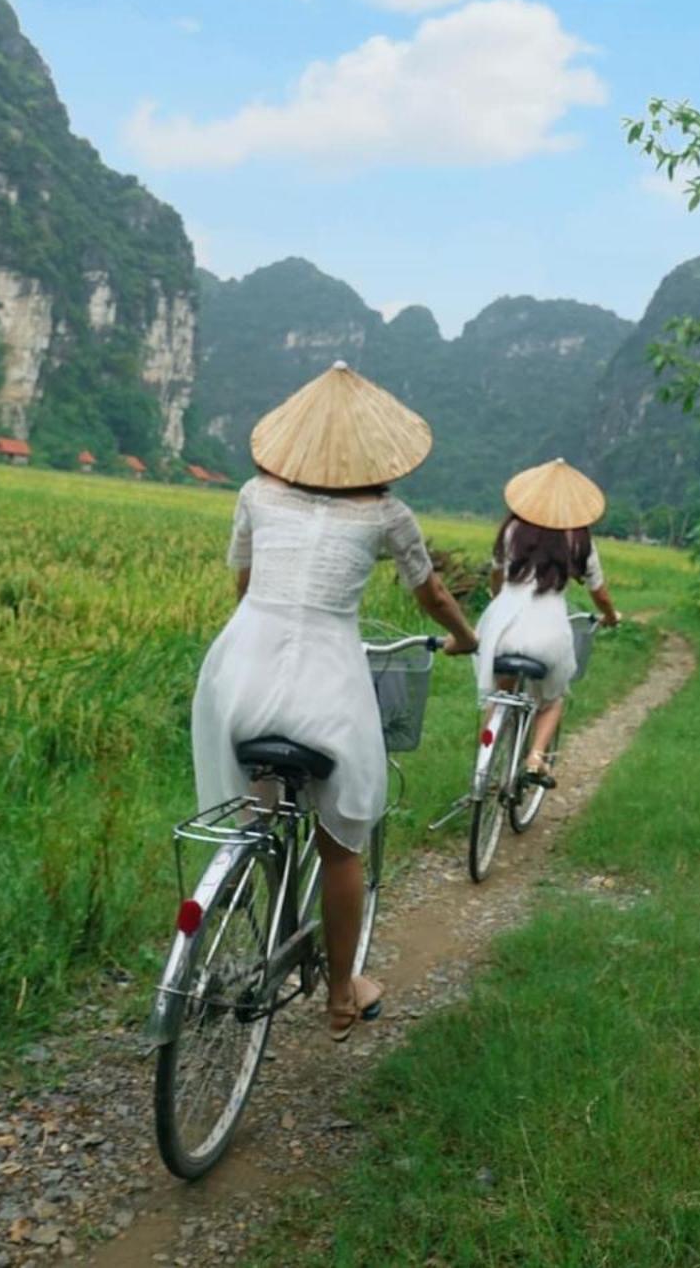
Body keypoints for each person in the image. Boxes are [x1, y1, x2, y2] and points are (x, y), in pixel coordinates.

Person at [191, 361, 478, 1041]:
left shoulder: (256, 496)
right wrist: (465, 637)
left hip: (240, 674)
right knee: (342, 842)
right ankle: (341, 995)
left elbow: (245, 586)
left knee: (257, 819)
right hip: (328, 681)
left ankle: (251, 918)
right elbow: (433, 596)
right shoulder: (387, 513)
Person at [475, 459, 621, 784]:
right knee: (552, 700)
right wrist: (611, 617)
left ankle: (485, 763)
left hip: (501, 627)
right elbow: (600, 594)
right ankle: (535, 758)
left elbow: (497, 579)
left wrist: (499, 601)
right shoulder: (580, 541)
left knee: (501, 694)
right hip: (548, 632)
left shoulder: (512, 530)